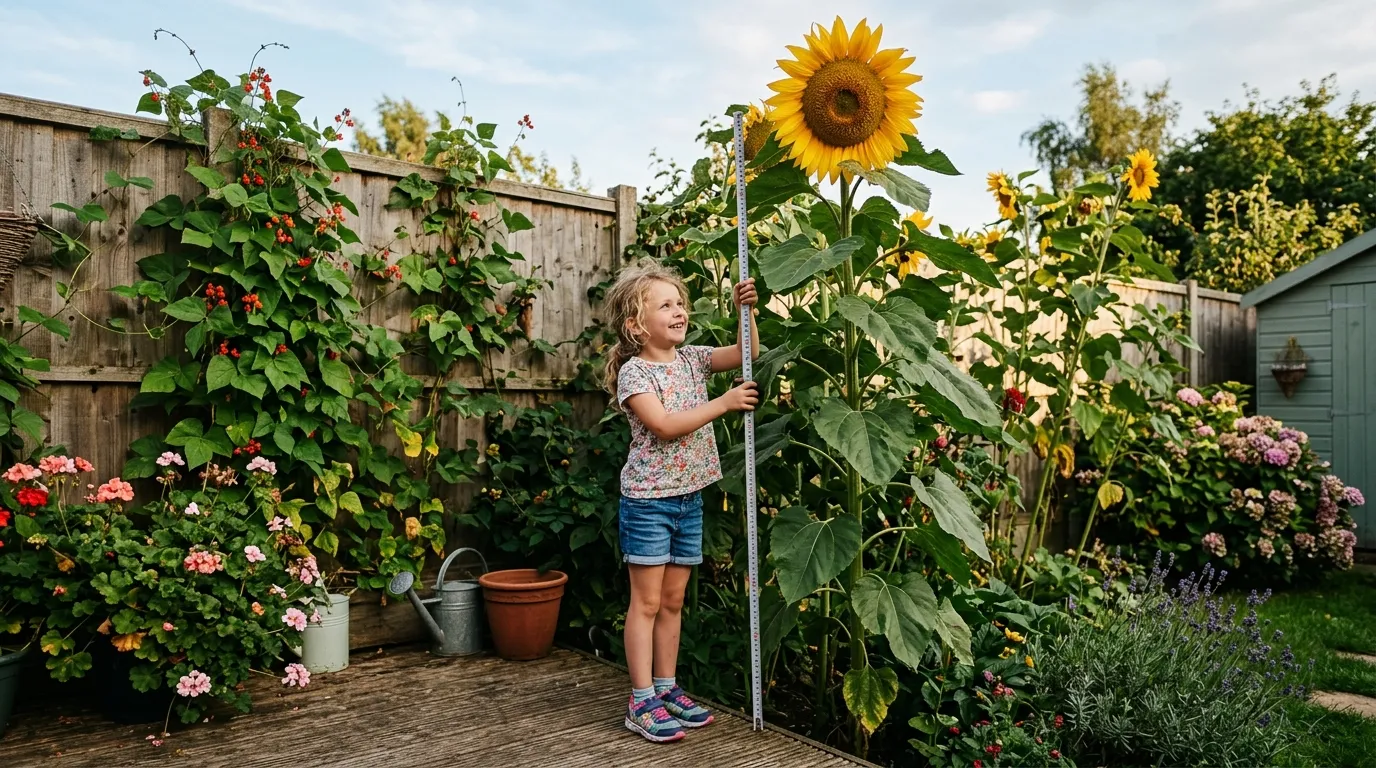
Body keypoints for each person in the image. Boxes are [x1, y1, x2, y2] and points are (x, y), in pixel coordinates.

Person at [602, 260, 760, 743]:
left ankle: (667, 688)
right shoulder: (636, 373)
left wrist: (745, 310)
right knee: (646, 603)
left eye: (681, 303)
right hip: (649, 503)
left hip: (688, 499)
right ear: (636, 324)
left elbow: (747, 352)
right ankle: (641, 699)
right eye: (665, 304)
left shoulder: (692, 358)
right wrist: (725, 403)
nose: (679, 311)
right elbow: (666, 426)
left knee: (672, 602)